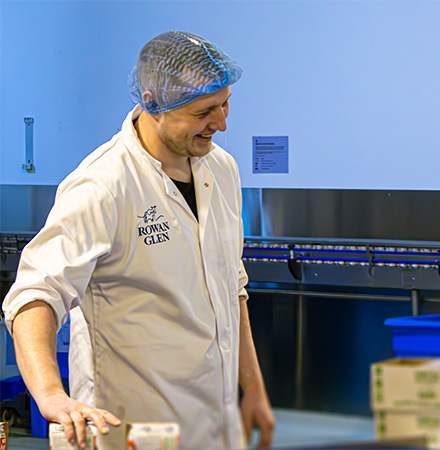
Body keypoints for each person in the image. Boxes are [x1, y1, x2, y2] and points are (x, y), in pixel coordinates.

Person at [2, 31, 275, 449]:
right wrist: (51, 394)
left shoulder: (221, 170)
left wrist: (253, 388)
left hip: (212, 425)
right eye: (204, 111)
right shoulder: (102, 185)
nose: (221, 123)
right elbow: (34, 296)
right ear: (152, 104)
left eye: (225, 104)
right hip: (129, 430)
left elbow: (231, 287)